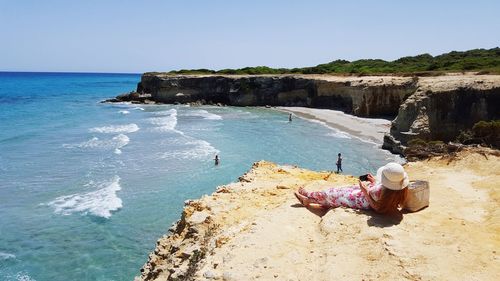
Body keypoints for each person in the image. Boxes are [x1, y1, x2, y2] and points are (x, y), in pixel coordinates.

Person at [294, 162, 409, 214]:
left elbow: (377, 208)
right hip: (362, 196)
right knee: (337, 191)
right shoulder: (400, 190)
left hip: (360, 200)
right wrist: (374, 182)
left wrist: (364, 190)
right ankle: (308, 199)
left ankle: (308, 196)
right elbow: (381, 195)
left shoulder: (381, 192)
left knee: (331, 194)